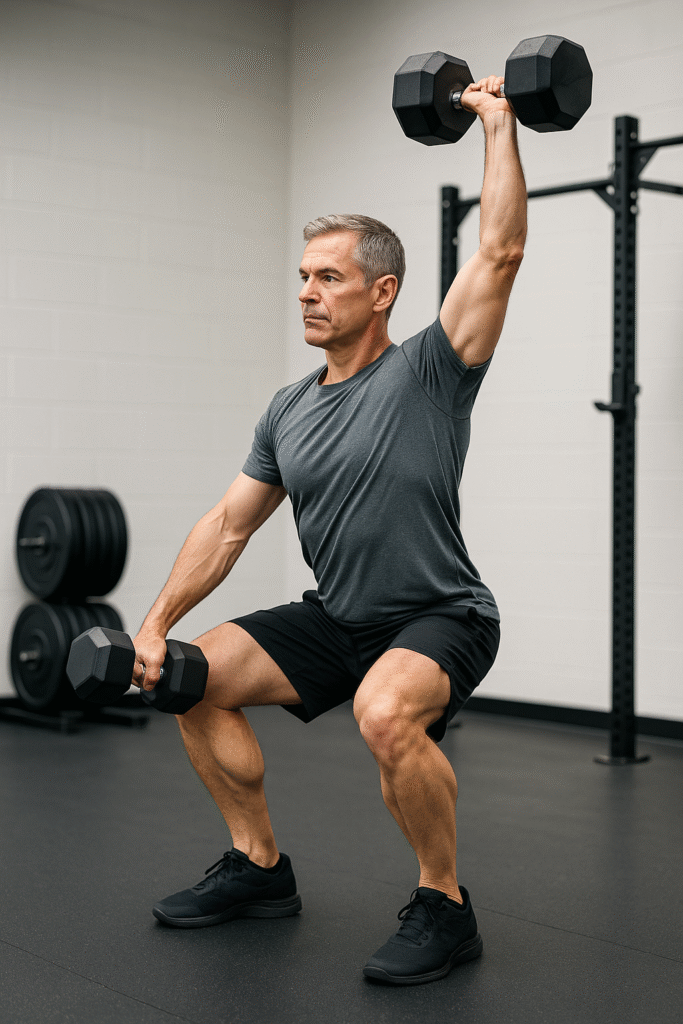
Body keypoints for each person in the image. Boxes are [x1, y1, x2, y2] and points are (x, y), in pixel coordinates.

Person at [132, 75, 527, 986]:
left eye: (329, 278)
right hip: (339, 617)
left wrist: (497, 125)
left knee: (384, 714)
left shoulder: (432, 368)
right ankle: (259, 867)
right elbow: (229, 525)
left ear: (381, 291)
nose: (307, 294)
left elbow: (499, 252)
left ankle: (444, 904)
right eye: (301, 278)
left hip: (439, 615)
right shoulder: (287, 408)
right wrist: (155, 624)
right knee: (188, 678)